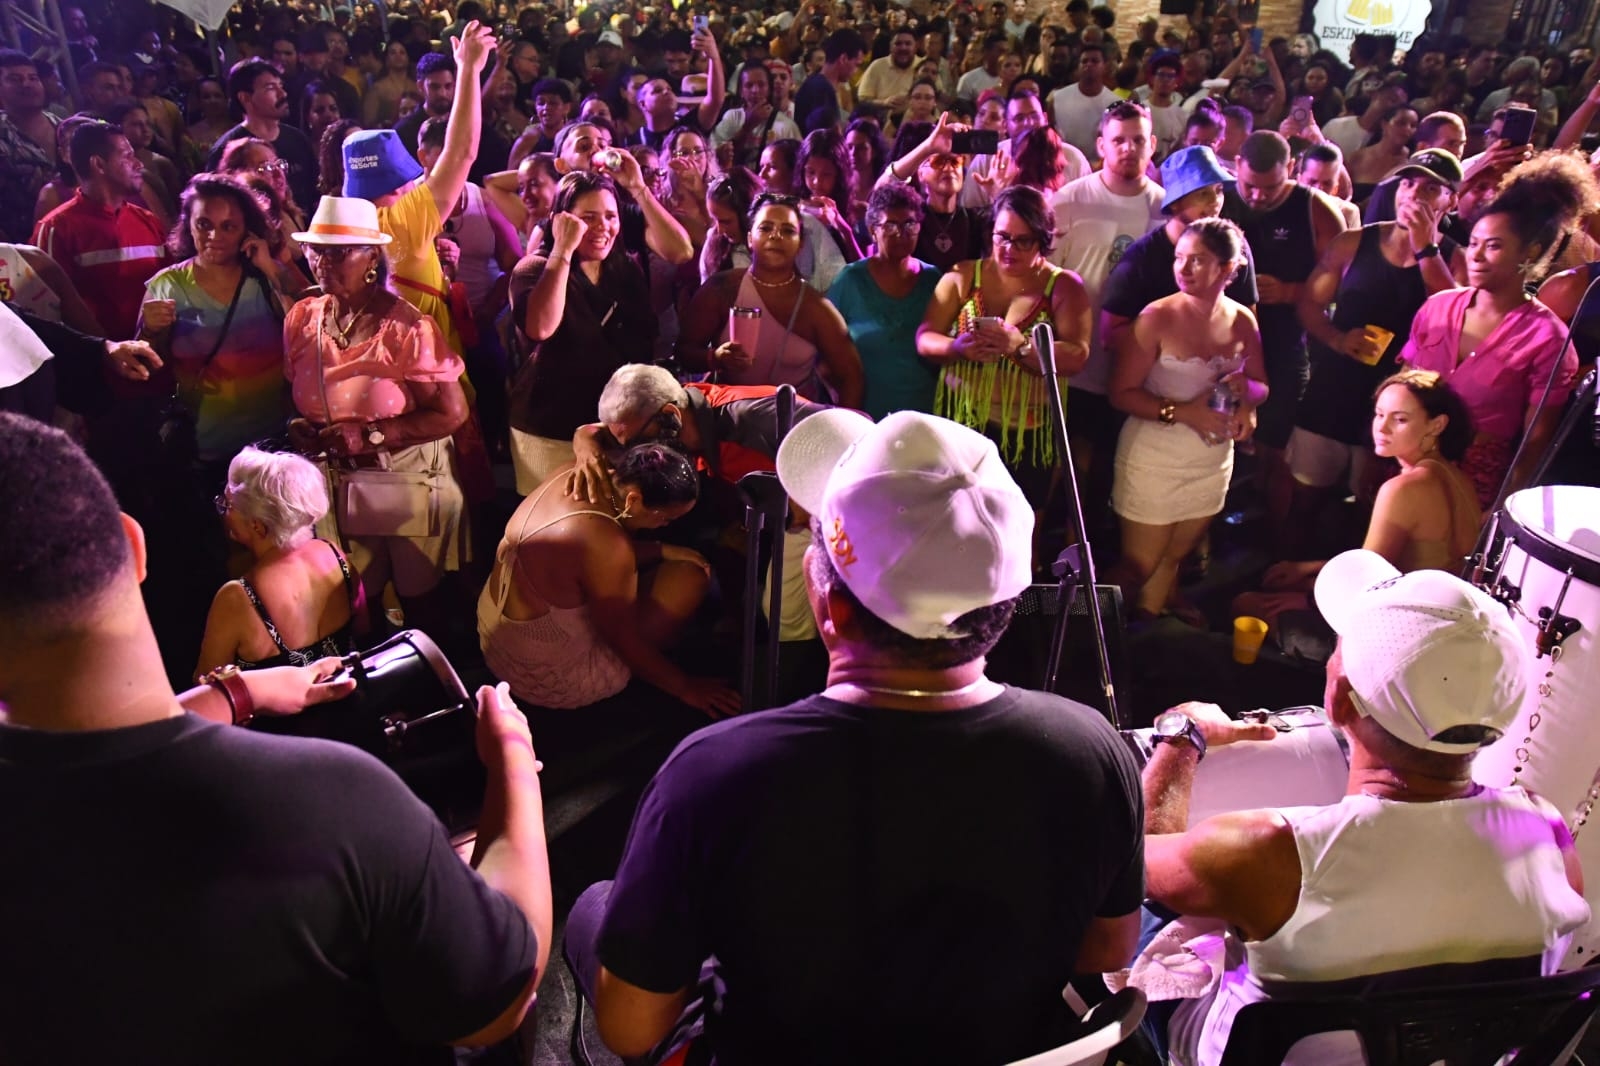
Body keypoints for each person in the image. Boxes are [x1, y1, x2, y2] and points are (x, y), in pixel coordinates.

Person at [565, 407, 1144, 1065]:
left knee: (594, 907)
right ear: (1005, 607)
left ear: (828, 603)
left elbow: (631, 1029)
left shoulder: (715, 773)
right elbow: (1107, 949)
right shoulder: (1092, 750)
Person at [0, 411, 550, 1065]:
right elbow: (500, 998)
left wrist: (238, 691)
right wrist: (512, 761)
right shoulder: (340, 798)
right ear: (131, 545)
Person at [1141, 548, 1589, 1066]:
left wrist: (1182, 734)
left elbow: (1143, 856)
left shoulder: (1267, 852)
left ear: (1340, 700)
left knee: (1138, 916)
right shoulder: (1550, 836)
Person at [283, 195, 470, 636]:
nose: (324, 261)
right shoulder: (302, 318)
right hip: (335, 484)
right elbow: (296, 389)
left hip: (402, 482)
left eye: (340, 251)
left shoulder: (406, 328)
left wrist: (370, 436)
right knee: (353, 596)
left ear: (372, 258)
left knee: (419, 600)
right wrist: (301, 427)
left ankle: (430, 684)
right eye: (316, 250)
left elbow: (451, 413)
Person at [479, 442, 737, 715]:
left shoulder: (578, 472)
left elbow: (577, 559)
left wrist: (662, 548)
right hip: (546, 675)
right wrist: (686, 687)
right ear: (633, 500)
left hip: (494, 635)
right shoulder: (607, 544)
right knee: (689, 577)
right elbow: (622, 638)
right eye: (664, 518)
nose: (665, 525)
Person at [1290, 150, 1464, 526]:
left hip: (1400, 415)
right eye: (1408, 183)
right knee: (1303, 501)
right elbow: (1308, 304)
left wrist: (1425, 248)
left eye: (1431, 188)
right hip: (1333, 394)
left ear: (1452, 199)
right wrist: (1336, 339)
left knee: (1374, 515)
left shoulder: (1454, 260)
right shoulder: (1353, 243)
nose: (1414, 195)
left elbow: (1455, 319)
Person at [1400, 158, 1586, 508]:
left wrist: (1503, 505)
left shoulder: (1548, 339)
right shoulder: (1437, 306)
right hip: (1403, 463)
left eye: (1494, 246)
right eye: (1473, 243)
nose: (1477, 256)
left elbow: (1534, 443)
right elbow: (1403, 385)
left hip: (1475, 482)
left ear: (1528, 253)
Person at [1108, 217, 1267, 622]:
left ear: (1228, 270)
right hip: (1155, 457)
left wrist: (1247, 400)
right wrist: (1183, 412)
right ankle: (1088, 632)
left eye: (1197, 260)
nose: (1183, 268)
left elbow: (1262, 383)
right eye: (1180, 258)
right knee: (1139, 563)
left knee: (1174, 556)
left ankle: (1148, 632)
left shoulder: (1242, 320)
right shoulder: (1156, 317)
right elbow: (1120, 392)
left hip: (1211, 460)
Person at [917, 185, 1091, 549]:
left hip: (1026, 433)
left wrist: (1023, 347)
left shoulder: (1062, 286)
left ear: (1043, 240)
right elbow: (924, 337)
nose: (1009, 249)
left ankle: (1013, 603)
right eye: (1002, 237)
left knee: (1020, 531)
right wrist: (956, 347)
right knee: (957, 525)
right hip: (965, 425)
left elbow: (1077, 355)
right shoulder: (965, 275)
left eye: (1023, 241)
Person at [1240, 371, 1482, 629]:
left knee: (1246, 604)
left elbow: (1370, 581)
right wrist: (1307, 568)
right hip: (1433, 612)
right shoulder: (1456, 476)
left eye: (1400, 419)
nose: (1382, 427)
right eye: (1379, 414)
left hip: (1405, 625)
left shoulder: (1405, 488)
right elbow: (1391, 564)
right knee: (1290, 578)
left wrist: (1305, 599)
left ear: (1437, 425)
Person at [1049, 100, 1164, 545]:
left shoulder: (1165, 210)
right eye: (1119, 140)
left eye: (1138, 140)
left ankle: (1092, 551)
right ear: (1101, 145)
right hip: (1078, 361)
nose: (1129, 149)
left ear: (1152, 145)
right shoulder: (1071, 200)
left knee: (1113, 464)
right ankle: (1056, 552)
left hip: (1135, 366)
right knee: (1068, 460)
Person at [507, 171, 657, 494]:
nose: (603, 226)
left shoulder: (624, 268)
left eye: (610, 216)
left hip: (609, 428)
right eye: (588, 217)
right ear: (562, 220)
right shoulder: (534, 268)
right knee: (549, 530)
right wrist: (562, 249)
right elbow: (541, 326)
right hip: (549, 427)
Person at [138, 173, 296, 474]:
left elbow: (305, 331)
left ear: (246, 230)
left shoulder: (266, 275)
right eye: (204, 224)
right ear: (189, 224)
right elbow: (147, 364)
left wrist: (271, 269)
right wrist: (150, 331)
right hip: (206, 447)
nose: (214, 235)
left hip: (273, 443)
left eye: (228, 226)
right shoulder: (167, 285)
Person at [677, 193, 865, 408]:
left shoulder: (817, 309)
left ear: (801, 242)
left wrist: (838, 432)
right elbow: (683, 352)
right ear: (749, 238)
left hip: (789, 432)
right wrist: (714, 358)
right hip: (725, 425)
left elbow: (852, 377)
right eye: (765, 228)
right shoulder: (722, 289)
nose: (776, 236)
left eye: (788, 230)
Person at [195, 445, 363, 674]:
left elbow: (208, 684)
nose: (223, 513)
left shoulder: (237, 598)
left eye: (228, 505)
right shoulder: (334, 554)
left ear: (257, 525)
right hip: (351, 695)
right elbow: (364, 630)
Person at [32, 120, 167, 340]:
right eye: (126, 156)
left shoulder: (148, 221)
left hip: (155, 362)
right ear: (99, 164)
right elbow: (48, 311)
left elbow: (171, 290)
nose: (138, 164)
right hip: (94, 368)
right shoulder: (56, 229)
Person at [827, 182, 941, 418]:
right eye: (890, 225)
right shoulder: (850, 281)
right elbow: (823, 354)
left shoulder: (934, 280)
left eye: (910, 224)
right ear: (872, 230)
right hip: (866, 419)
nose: (901, 233)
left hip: (924, 419)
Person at [882, 115, 993, 273]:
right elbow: (882, 191)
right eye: (938, 162)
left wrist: (998, 193)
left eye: (955, 162)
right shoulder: (910, 218)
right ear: (920, 174)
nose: (948, 168)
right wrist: (928, 147)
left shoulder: (975, 219)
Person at [208, 59, 319, 214]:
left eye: (280, 86)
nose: (283, 94)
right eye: (270, 88)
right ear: (245, 97)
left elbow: (314, 192)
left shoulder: (297, 139)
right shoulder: (228, 149)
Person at [0, 49, 59, 245]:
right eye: (15, 79)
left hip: (79, 239)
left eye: (33, 78)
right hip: (23, 249)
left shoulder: (67, 128)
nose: (26, 84)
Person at [1048, 42, 1117, 162]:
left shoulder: (1115, 104)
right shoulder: (1058, 98)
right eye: (1084, 61)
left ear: (1104, 66)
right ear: (1078, 66)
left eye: (1094, 61)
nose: (1089, 64)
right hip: (1063, 163)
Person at [793, 28, 865, 133]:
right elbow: (823, 139)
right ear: (843, 59)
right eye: (856, 64)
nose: (856, 71)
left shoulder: (816, 84)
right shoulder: (821, 90)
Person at [1347, 105, 1418, 204]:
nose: (1407, 129)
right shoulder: (1358, 157)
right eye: (1401, 123)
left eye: (1413, 125)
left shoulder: (1412, 164)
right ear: (1384, 124)